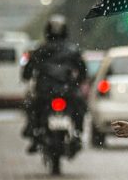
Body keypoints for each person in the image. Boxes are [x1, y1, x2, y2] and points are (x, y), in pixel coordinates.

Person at [21, 14, 87, 153]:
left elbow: (28, 70)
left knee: (32, 106)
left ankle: (34, 134)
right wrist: (77, 82)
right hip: (67, 91)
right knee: (80, 106)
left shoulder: (40, 49)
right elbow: (82, 70)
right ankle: (77, 133)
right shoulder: (72, 50)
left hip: (46, 91)